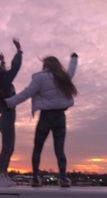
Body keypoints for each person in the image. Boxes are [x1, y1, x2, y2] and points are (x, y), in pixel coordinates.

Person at [6, 53, 78, 187]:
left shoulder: (40, 78)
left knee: (38, 148)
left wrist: (9, 102)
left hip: (45, 117)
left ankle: (35, 178)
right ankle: (63, 178)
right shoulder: (63, 77)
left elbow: (26, 93)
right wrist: (74, 58)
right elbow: (71, 71)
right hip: (60, 117)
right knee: (59, 149)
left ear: (45, 65)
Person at [0, 38, 23, 187]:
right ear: (1, 75)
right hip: (7, 117)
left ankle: (4, 174)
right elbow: (15, 68)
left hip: (7, 118)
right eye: (3, 71)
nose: (5, 71)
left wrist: (2, 62)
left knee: (10, 147)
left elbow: (6, 71)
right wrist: (19, 50)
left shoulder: (1, 82)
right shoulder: (5, 82)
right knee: (7, 147)